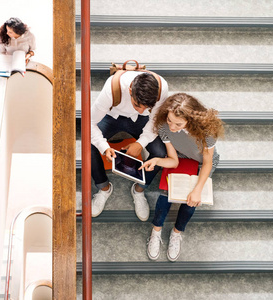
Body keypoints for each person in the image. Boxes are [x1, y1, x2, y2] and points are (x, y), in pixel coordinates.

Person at [141, 93, 224, 261]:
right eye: (170, 121)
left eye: (178, 124)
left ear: (190, 121)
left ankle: (177, 233)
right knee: (165, 193)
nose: (172, 127)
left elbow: (208, 162)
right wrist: (157, 160)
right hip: (182, 156)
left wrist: (198, 190)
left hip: (203, 162)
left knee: (192, 198)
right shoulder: (165, 127)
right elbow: (173, 160)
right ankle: (156, 231)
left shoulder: (206, 132)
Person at [91, 71, 169, 221]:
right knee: (89, 146)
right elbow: (90, 122)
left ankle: (139, 190)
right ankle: (104, 188)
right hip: (111, 116)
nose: (140, 110)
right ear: (130, 90)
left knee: (160, 152)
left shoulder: (162, 88)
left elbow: (154, 121)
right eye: (137, 105)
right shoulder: (112, 88)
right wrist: (104, 147)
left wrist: (141, 143)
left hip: (142, 121)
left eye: (146, 107)